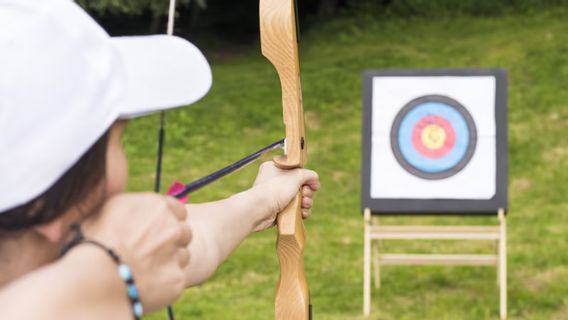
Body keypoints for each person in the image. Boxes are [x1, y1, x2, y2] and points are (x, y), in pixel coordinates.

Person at [0, 0, 321, 319]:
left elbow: (181, 245)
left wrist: (261, 201)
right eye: (118, 140)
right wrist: (112, 276)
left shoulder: (66, 260)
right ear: (49, 200)